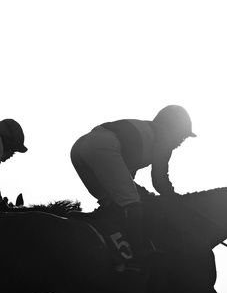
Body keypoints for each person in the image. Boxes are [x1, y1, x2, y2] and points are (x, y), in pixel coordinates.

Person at [69, 105, 195, 265]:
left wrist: (144, 194)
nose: (181, 142)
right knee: (132, 205)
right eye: (183, 136)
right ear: (174, 128)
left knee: (112, 204)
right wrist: (174, 199)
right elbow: (159, 180)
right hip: (102, 146)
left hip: (79, 148)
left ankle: (97, 233)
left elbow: (125, 179)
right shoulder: (165, 136)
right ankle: (139, 254)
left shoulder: (144, 133)